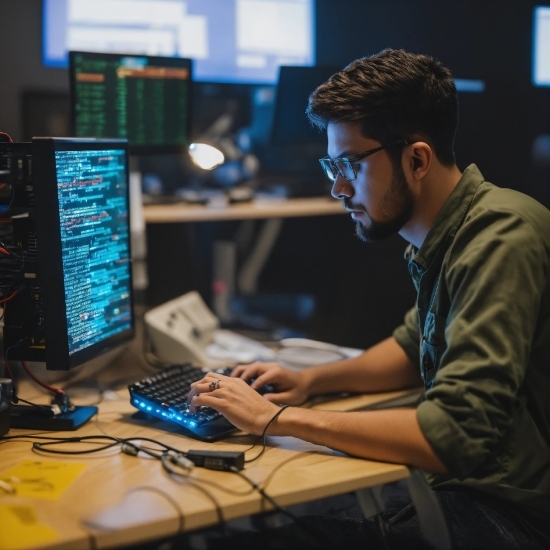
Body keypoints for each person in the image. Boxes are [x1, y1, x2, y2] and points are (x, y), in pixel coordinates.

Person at [187, 49, 550, 549]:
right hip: (469, 496)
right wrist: (311, 381)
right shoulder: (454, 233)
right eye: (331, 164)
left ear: (417, 159)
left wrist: (275, 418)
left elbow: (452, 436)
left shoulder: (499, 237)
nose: (337, 187)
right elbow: (409, 347)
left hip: (511, 521)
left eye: (350, 165)